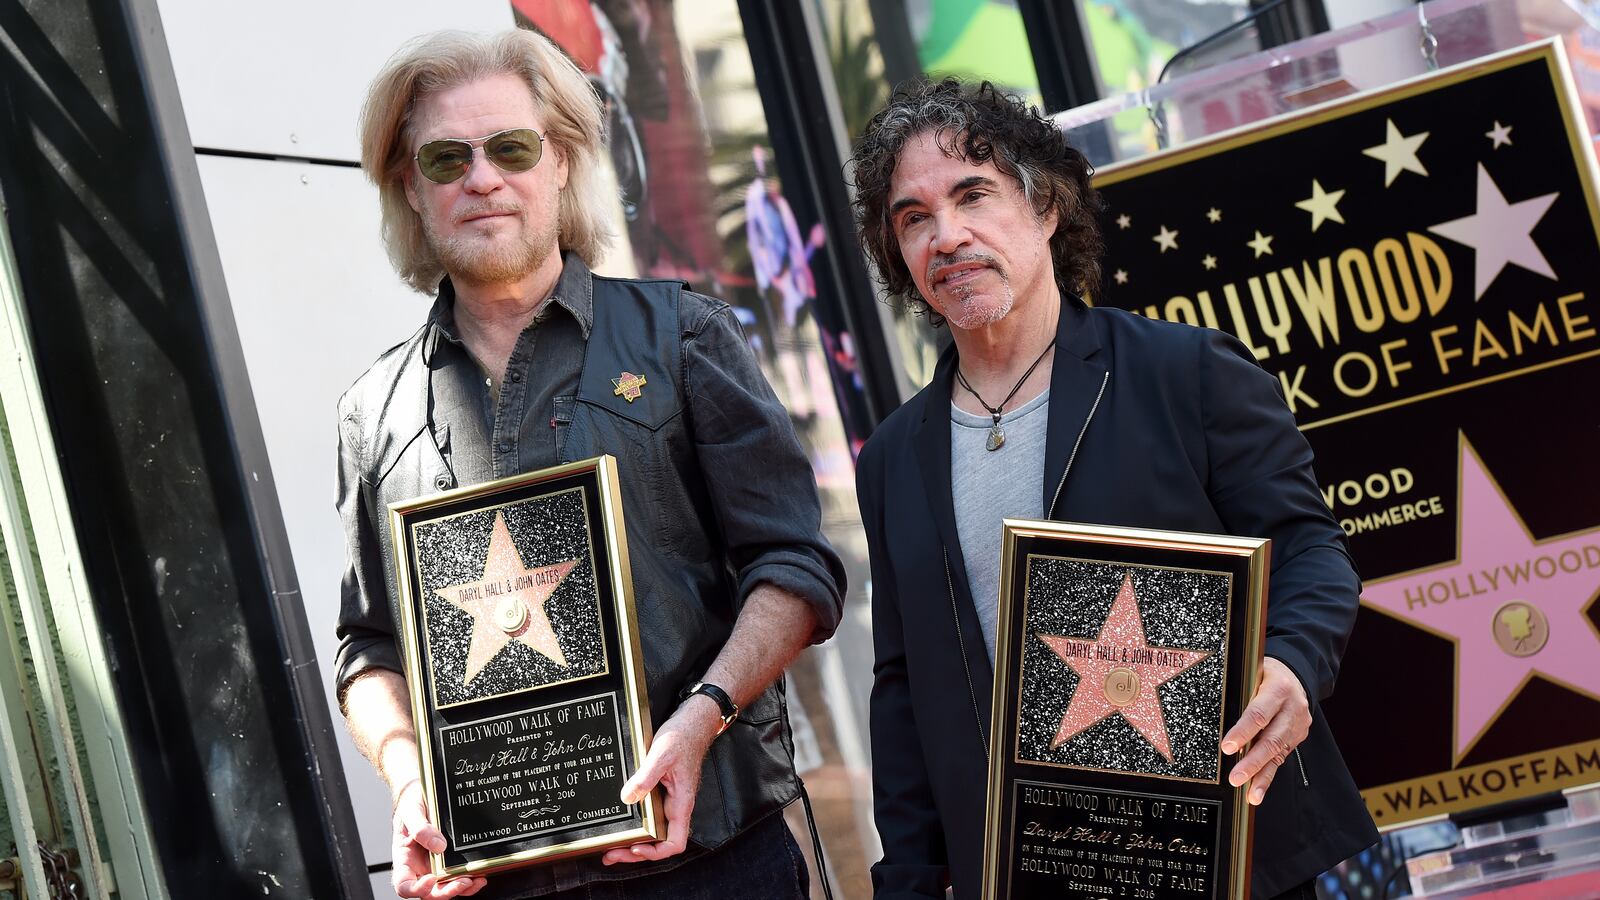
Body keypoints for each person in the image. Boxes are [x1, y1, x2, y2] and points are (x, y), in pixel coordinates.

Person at [334, 29, 844, 900]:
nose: (483, 178)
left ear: (561, 164)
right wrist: (410, 776)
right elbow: (369, 647)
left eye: (512, 147)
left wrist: (701, 717)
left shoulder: (685, 338)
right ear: (412, 191)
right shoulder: (372, 416)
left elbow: (796, 568)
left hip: (715, 866)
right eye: (447, 158)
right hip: (504, 883)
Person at [849, 79, 1377, 900]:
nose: (946, 235)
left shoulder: (1188, 373)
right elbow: (904, 689)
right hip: (1024, 870)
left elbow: (1309, 548)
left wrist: (1293, 667)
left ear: (1048, 207)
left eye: (973, 195)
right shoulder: (890, 456)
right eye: (914, 217)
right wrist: (911, 879)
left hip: (1215, 844)